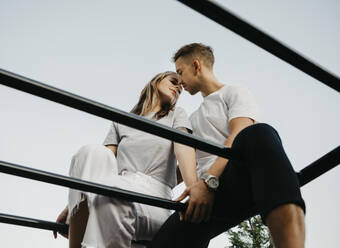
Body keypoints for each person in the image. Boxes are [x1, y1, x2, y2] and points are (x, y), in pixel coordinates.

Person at [149, 43, 306, 248]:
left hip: (236, 177)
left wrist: (208, 182)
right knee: (164, 240)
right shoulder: (192, 118)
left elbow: (238, 134)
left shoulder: (233, 92)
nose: (180, 81)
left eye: (181, 72)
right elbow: (186, 163)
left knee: (259, 133)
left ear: (196, 66)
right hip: (206, 198)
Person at [53, 71, 198, 248]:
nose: (178, 87)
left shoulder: (176, 114)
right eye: (174, 81)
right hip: (116, 184)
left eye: (181, 87)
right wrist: (71, 207)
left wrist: (194, 188)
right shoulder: (122, 121)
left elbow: (184, 147)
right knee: (90, 152)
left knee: (113, 195)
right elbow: (97, 166)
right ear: (156, 81)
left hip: (154, 196)